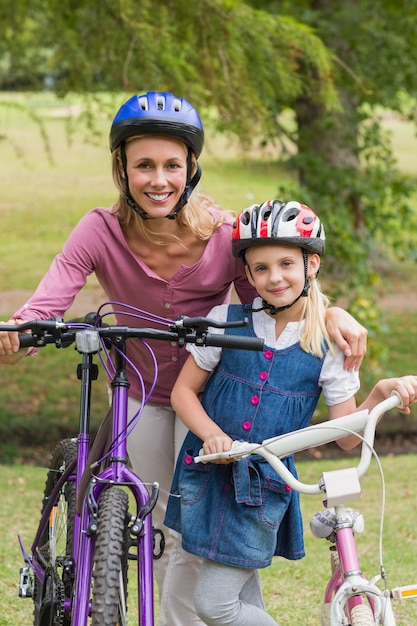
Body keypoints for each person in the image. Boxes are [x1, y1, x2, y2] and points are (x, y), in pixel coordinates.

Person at [0, 94, 367, 625]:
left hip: (213, 395)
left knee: (197, 530)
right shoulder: (98, 229)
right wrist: (20, 333)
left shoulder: (223, 234)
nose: (158, 179)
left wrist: (335, 313)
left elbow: (277, 296)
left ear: (191, 168)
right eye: (143, 164)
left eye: (172, 165)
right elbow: (49, 300)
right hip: (141, 391)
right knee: (154, 526)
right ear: (122, 170)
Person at [164, 199, 417, 626]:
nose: (274, 277)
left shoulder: (328, 345)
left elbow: (345, 436)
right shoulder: (225, 321)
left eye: (286, 263)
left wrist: (375, 395)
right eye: (260, 268)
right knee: (232, 592)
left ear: (311, 264)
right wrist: (210, 433)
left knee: (215, 604)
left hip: (261, 489)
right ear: (247, 274)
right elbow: (183, 393)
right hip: (206, 475)